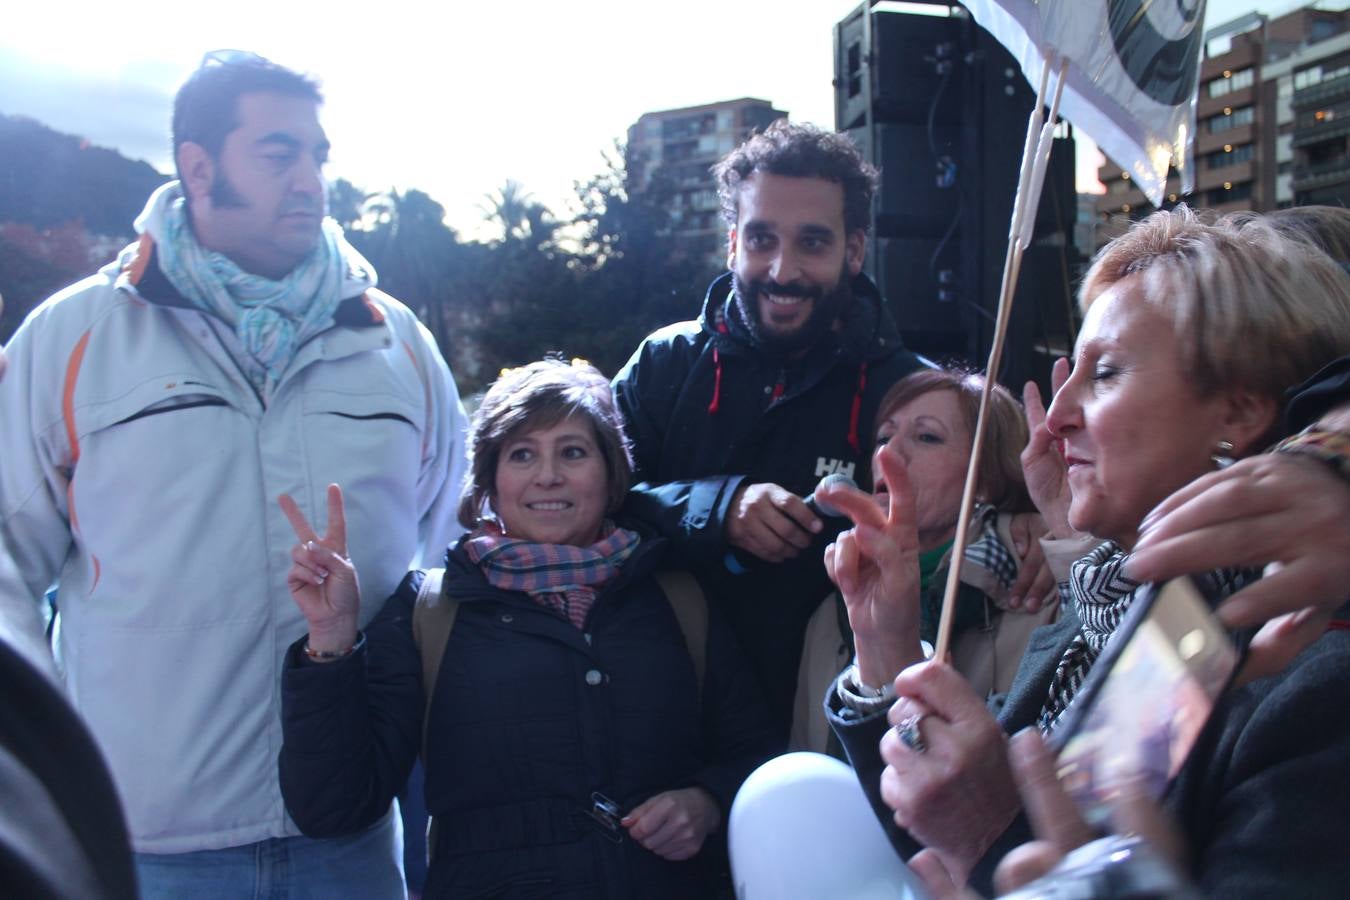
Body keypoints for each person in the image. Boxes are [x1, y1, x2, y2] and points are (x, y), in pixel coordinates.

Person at [0, 53, 467, 897]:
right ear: (199, 166)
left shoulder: (398, 344)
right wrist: (39, 786)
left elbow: (446, 552)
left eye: (318, 155)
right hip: (143, 843)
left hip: (354, 839)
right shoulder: (73, 336)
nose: (311, 181)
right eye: (279, 154)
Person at [821, 207, 1350, 896]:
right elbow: (939, 826)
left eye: (1105, 373)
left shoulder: (1313, 679)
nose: (1056, 417)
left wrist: (993, 836)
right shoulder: (1120, 621)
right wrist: (886, 646)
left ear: (1239, 412)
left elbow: (1001, 848)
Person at [614, 120, 1051, 736]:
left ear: (854, 250)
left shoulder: (908, 389)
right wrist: (716, 508)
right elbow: (591, 504)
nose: (782, 269)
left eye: (812, 242)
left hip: (837, 726)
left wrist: (1026, 523)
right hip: (668, 720)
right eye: (762, 239)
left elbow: (993, 490)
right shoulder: (664, 364)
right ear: (733, 243)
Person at [278, 360, 777, 899]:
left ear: (610, 473)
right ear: (490, 481)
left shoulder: (678, 598)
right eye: (522, 454)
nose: (548, 476)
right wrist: (331, 638)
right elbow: (335, 805)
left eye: (573, 452)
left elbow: (758, 756)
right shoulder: (429, 611)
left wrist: (707, 802)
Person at [791, 369, 1056, 754]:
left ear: (985, 477)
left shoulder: (1042, 595)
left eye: (927, 436)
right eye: (883, 437)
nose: (888, 454)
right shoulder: (833, 614)